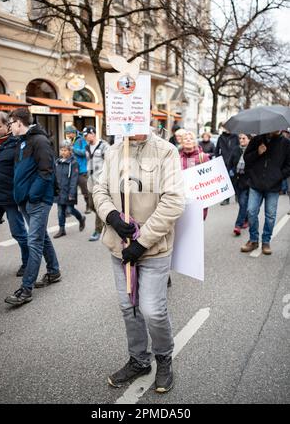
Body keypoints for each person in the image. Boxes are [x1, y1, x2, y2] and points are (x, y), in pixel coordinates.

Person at [93, 130, 185, 393]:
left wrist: (142, 241)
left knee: (152, 310)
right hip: (119, 246)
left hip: (153, 247)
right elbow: (99, 189)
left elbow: (174, 201)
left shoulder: (166, 150)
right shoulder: (113, 151)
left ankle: (164, 359)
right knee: (129, 307)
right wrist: (111, 216)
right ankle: (139, 360)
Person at [5, 108, 61, 306]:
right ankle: (53, 271)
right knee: (41, 237)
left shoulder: (40, 141)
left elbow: (46, 171)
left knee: (34, 242)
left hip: (36, 201)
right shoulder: (21, 141)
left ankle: (26, 289)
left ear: (19, 122)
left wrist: (33, 197)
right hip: (25, 201)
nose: (9, 126)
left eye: (10, 123)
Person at [241, 131, 290, 255]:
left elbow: (289, 165)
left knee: (270, 215)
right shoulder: (257, 139)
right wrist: (258, 152)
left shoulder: (286, 143)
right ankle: (253, 240)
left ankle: (266, 242)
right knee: (251, 212)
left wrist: (278, 176)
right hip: (255, 183)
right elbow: (246, 158)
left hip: (273, 186)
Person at [0, 111, 29, 277]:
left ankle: (28, 263)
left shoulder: (16, 144)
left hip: (10, 197)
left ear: (7, 125)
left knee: (18, 233)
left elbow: (22, 170)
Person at [53, 142, 86, 238]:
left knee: (69, 209)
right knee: (60, 210)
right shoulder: (57, 162)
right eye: (61, 150)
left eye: (65, 150)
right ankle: (62, 229)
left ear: (70, 151)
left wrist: (71, 193)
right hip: (59, 191)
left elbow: (74, 179)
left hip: (69, 191)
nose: (63, 152)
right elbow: (54, 177)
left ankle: (81, 218)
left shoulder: (73, 163)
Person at [83, 126, 109, 241]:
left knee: (98, 205)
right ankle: (106, 219)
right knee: (92, 205)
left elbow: (110, 162)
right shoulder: (87, 147)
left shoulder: (104, 146)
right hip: (91, 181)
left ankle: (97, 230)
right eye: (84, 135)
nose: (85, 137)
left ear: (92, 133)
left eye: (86, 134)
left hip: (101, 181)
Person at [180, 131, 210, 221]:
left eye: (191, 138)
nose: (188, 140)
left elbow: (209, 179)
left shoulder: (203, 157)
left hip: (198, 198)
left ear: (194, 142)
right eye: (185, 138)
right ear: (181, 142)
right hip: (181, 198)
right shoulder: (176, 157)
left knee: (196, 227)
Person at [228, 134, 251, 236]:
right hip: (237, 181)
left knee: (243, 202)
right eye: (240, 138)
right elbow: (230, 164)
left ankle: (238, 225)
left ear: (249, 140)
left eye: (243, 138)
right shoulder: (236, 150)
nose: (241, 140)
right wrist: (231, 171)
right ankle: (246, 219)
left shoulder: (252, 150)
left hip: (248, 182)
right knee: (242, 203)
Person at [64, 125, 89, 214]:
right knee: (71, 190)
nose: (67, 136)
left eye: (68, 134)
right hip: (73, 169)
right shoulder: (71, 141)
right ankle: (69, 209)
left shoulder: (82, 140)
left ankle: (89, 205)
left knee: (85, 190)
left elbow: (84, 152)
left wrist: (73, 149)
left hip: (82, 170)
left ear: (73, 133)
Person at [215, 124, 239, 205]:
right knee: (225, 181)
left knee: (235, 180)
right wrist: (219, 159)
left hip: (234, 162)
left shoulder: (236, 137)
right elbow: (217, 150)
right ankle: (226, 199)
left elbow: (238, 148)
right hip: (224, 163)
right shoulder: (220, 138)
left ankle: (237, 195)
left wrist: (237, 158)